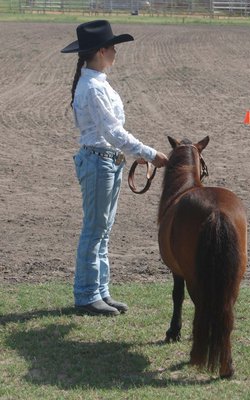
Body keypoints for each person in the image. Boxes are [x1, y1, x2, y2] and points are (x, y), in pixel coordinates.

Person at [61, 20, 168, 316]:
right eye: (113, 47)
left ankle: (100, 291)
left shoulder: (97, 82)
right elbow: (113, 132)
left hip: (105, 161)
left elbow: (113, 133)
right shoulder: (94, 87)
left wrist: (135, 153)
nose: (116, 52)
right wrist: (147, 152)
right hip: (99, 161)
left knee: (102, 230)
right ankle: (86, 295)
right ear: (101, 51)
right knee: (95, 230)